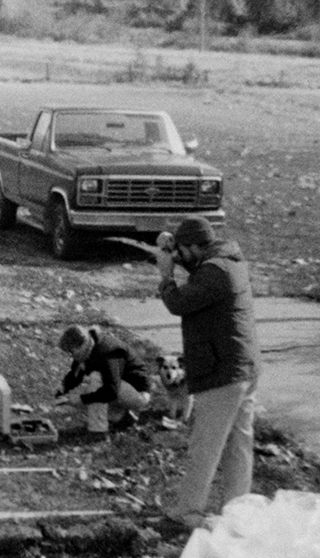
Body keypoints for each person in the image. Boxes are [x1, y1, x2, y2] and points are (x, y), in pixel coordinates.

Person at [156, 216, 261, 529]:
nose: (178, 257)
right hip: (243, 367)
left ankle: (188, 511)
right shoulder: (227, 262)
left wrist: (166, 275)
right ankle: (237, 511)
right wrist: (173, 250)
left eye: (181, 250)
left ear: (194, 247)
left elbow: (178, 302)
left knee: (206, 445)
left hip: (222, 371)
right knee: (238, 444)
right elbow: (200, 274)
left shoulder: (215, 272)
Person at [57, 324, 152, 442]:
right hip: (119, 386)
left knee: (96, 379)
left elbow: (111, 391)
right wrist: (62, 389)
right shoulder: (88, 348)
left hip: (138, 392)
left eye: (71, 352)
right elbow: (76, 373)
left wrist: (82, 399)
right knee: (86, 390)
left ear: (81, 345)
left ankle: (98, 432)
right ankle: (122, 418)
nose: (71, 356)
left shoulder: (108, 352)